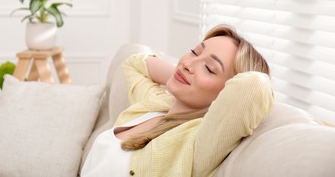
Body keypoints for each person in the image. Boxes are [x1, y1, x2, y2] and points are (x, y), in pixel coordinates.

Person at [81, 24, 274, 177]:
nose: (188, 63)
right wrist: (181, 73)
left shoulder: (200, 141)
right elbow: (133, 64)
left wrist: (191, 79)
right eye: (195, 52)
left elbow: (255, 85)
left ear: (227, 92)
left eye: (209, 68)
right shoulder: (156, 103)